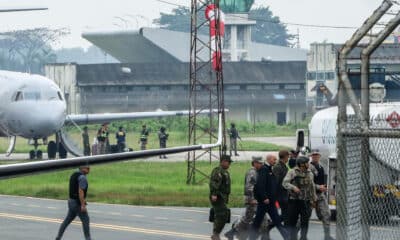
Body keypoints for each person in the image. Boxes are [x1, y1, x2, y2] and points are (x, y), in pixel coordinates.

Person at [224, 156, 270, 240]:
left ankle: (231, 232)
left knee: (248, 219)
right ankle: (265, 237)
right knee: (259, 219)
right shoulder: (252, 172)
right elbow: (249, 187)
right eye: (259, 163)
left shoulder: (257, 172)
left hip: (256, 200)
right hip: (252, 200)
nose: (261, 164)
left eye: (262, 163)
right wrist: (252, 199)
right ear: (255, 163)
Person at [250, 154, 289, 240]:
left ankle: (287, 237)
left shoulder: (269, 169)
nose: (275, 161)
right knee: (257, 222)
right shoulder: (264, 169)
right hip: (264, 202)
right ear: (268, 159)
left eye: (275, 160)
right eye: (274, 160)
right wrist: (264, 198)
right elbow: (260, 185)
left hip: (270, 202)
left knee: (277, 222)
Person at [283, 156, 317, 240]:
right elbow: (284, 183)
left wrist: (314, 199)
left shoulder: (310, 173)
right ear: (302, 164)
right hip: (294, 201)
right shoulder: (292, 172)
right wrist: (293, 187)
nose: (308, 164)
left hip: (305, 201)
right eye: (307, 162)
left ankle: (303, 237)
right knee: (292, 222)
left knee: (305, 222)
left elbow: (312, 187)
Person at [55, 165, 92, 240]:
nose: (89, 169)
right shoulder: (82, 178)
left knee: (67, 220)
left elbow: (73, 188)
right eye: (86, 168)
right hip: (77, 202)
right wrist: (82, 205)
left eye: (89, 168)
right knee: (85, 220)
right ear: (81, 168)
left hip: (71, 201)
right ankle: (88, 238)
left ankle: (58, 237)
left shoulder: (74, 174)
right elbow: (80, 192)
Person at [309, 150, 334, 240]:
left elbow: (322, 181)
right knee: (305, 216)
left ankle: (327, 236)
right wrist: (319, 187)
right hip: (310, 195)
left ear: (319, 156)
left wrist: (323, 188)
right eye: (314, 155)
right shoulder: (309, 167)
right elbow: (308, 183)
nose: (315, 157)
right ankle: (296, 235)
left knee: (326, 214)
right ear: (311, 156)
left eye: (317, 155)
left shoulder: (321, 167)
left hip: (320, 195)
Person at [209, 155, 232, 240]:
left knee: (222, 215)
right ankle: (216, 234)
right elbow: (214, 183)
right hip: (218, 196)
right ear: (223, 162)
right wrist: (214, 194)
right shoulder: (218, 171)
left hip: (223, 196)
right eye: (228, 162)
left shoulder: (224, 172)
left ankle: (216, 233)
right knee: (222, 214)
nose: (229, 164)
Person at [272, 150, 290, 226]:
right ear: (285, 157)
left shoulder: (284, 166)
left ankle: (286, 230)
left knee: (286, 213)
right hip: (280, 194)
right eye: (288, 157)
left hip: (284, 193)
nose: (288, 158)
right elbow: (276, 181)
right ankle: (271, 225)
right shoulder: (278, 167)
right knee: (286, 213)